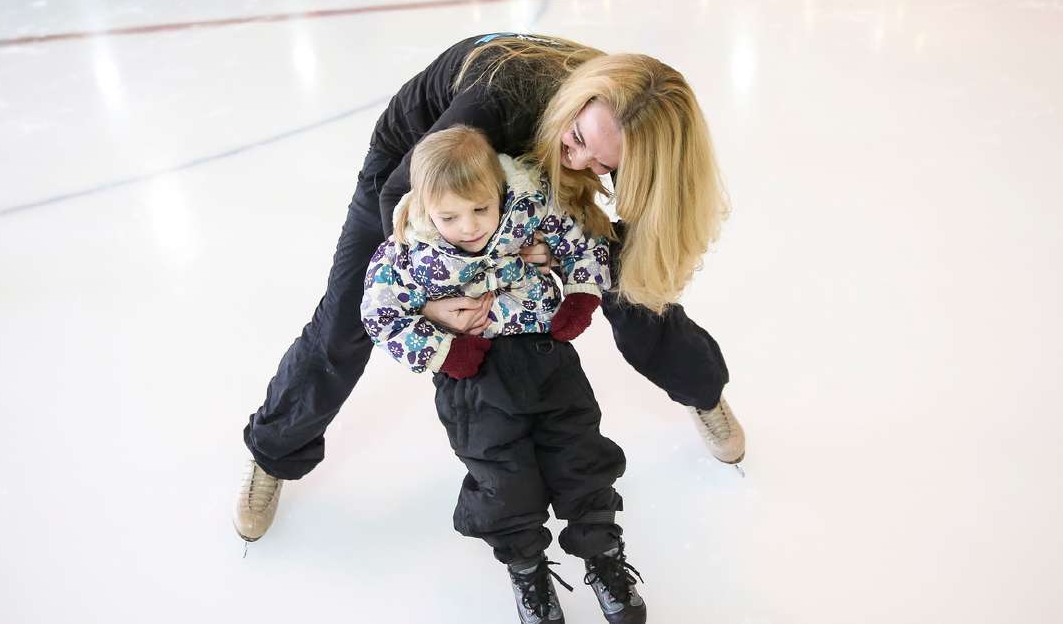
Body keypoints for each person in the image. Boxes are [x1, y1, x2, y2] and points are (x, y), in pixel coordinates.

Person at [235, 32, 743, 545]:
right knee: (346, 318)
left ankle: (702, 390)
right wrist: (433, 297)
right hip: (423, 170)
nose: (582, 164)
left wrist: (556, 244)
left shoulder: (622, 123)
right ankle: (273, 451)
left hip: (523, 170)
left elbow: (609, 225)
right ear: (580, 100)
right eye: (579, 141)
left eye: (603, 166)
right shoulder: (499, 96)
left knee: (624, 282)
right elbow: (404, 204)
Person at [361, 125, 644, 623]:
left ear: (499, 190)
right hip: (474, 383)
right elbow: (380, 315)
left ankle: (602, 556)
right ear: (426, 206)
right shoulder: (406, 252)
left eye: (480, 209)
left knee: (580, 456)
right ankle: (527, 569)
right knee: (502, 479)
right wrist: (445, 353)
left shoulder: (529, 211)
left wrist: (580, 295)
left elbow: (584, 243)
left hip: (545, 360)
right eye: (449, 215)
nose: (469, 226)